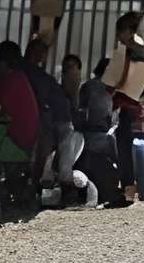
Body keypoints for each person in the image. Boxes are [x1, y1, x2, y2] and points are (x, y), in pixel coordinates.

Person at [26, 36, 96, 207]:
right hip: (52, 125)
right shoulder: (47, 83)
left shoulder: (79, 91)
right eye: (67, 70)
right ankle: (63, 185)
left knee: (69, 143)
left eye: (74, 70)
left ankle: (64, 185)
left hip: (63, 128)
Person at [104, 13, 144, 205]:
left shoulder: (133, 52)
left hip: (129, 104)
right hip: (132, 104)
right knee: (132, 146)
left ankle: (129, 191)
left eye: (120, 31)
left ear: (128, 31)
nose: (118, 35)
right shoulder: (140, 51)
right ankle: (137, 189)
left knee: (126, 148)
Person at [0, 39, 40, 165]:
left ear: (2, 64)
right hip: (21, 144)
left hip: (15, 145)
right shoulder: (17, 78)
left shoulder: (9, 82)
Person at [77, 55, 124, 205]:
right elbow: (98, 118)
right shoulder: (97, 88)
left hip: (92, 135)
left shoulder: (91, 86)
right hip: (94, 135)